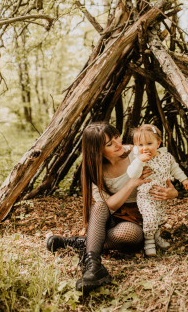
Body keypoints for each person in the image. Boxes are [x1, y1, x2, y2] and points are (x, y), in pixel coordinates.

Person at [46, 122, 179, 292]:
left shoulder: (137, 152)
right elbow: (106, 207)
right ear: (98, 150)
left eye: (116, 137)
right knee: (100, 206)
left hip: (140, 216)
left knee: (129, 234)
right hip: (111, 217)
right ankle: (94, 267)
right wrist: (130, 184)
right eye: (109, 144)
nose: (118, 144)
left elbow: (166, 172)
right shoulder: (97, 170)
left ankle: (76, 243)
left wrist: (172, 193)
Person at [127, 124, 188, 256]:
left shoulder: (166, 156)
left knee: (159, 218)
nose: (145, 148)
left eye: (149, 143)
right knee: (150, 218)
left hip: (161, 195)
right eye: (141, 145)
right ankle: (148, 241)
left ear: (158, 143)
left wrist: (183, 179)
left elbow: (175, 168)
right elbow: (132, 174)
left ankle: (156, 236)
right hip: (146, 195)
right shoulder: (139, 159)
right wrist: (139, 161)